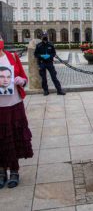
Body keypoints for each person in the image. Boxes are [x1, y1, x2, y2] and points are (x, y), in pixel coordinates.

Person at [0, 36, 33, 188]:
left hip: (14, 105)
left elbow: (25, 79)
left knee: (14, 137)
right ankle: (1, 170)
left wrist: (20, 80)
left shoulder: (12, 56)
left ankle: (14, 170)